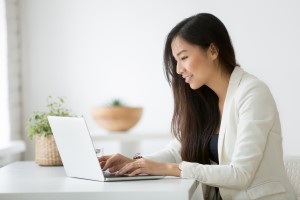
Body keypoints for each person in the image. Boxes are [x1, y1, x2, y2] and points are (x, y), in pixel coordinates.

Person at [99, 13, 297, 199]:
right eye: (176, 61)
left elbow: (240, 173)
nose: (178, 69)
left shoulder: (253, 93)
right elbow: (177, 151)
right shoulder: (204, 100)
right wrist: (134, 164)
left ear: (212, 50)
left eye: (184, 57)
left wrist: (171, 169)